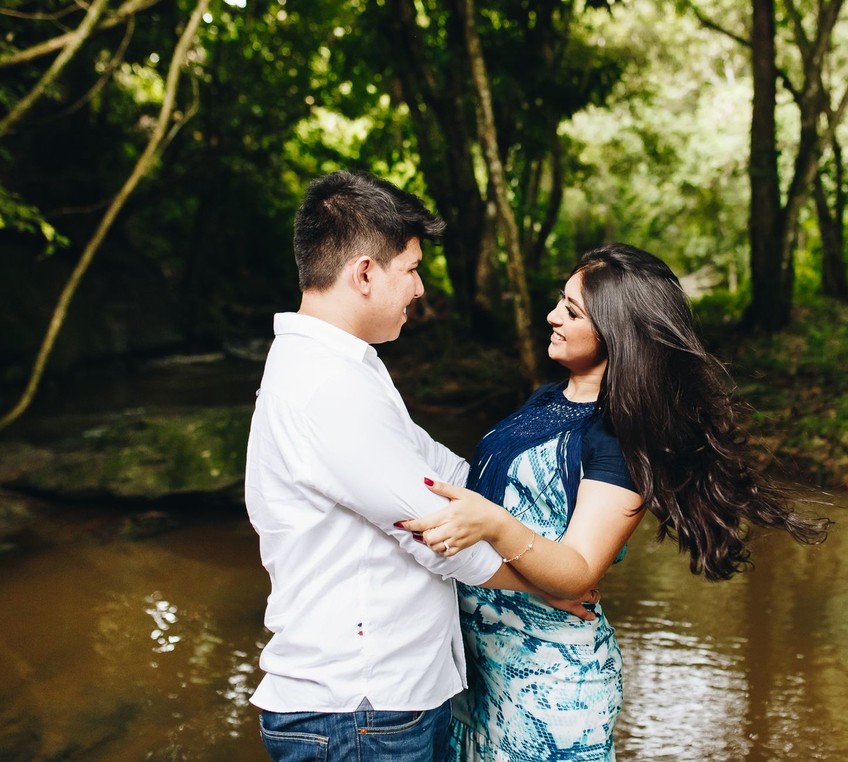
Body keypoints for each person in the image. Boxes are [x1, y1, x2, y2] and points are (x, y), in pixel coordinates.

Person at [401, 243, 831, 761]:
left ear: (615, 332)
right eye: (560, 301)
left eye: (572, 312)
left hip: (550, 681)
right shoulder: (546, 399)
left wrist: (493, 525)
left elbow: (579, 570)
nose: (552, 316)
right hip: (474, 668)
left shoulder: (622, 436)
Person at [243, 170, 590, 762]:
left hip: (380, 703)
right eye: (411, 269)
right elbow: (436, 529)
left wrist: (539, 484)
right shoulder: (325, 385)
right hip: (357, 711)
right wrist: (548, 582)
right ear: (364, 274)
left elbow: (441, 470)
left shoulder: (347, 367)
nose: (421, 288)